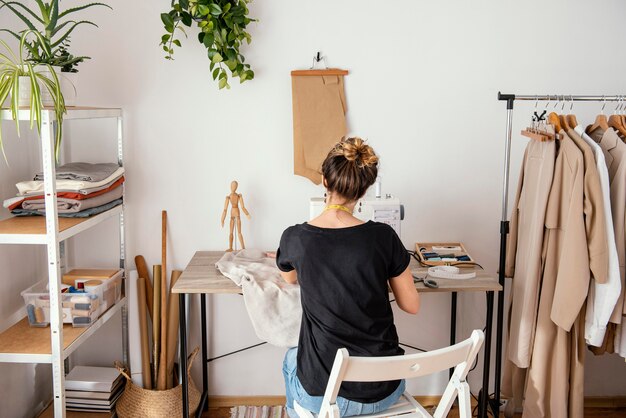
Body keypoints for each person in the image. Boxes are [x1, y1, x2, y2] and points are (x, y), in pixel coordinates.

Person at [276, 137, 420, 417]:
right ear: (363, 190)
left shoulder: (295, 238)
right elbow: (411, 305)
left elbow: (290, 279)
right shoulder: (383, 237)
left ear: (324, 181)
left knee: (290, 359)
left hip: (324, 397)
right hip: (384, 391)